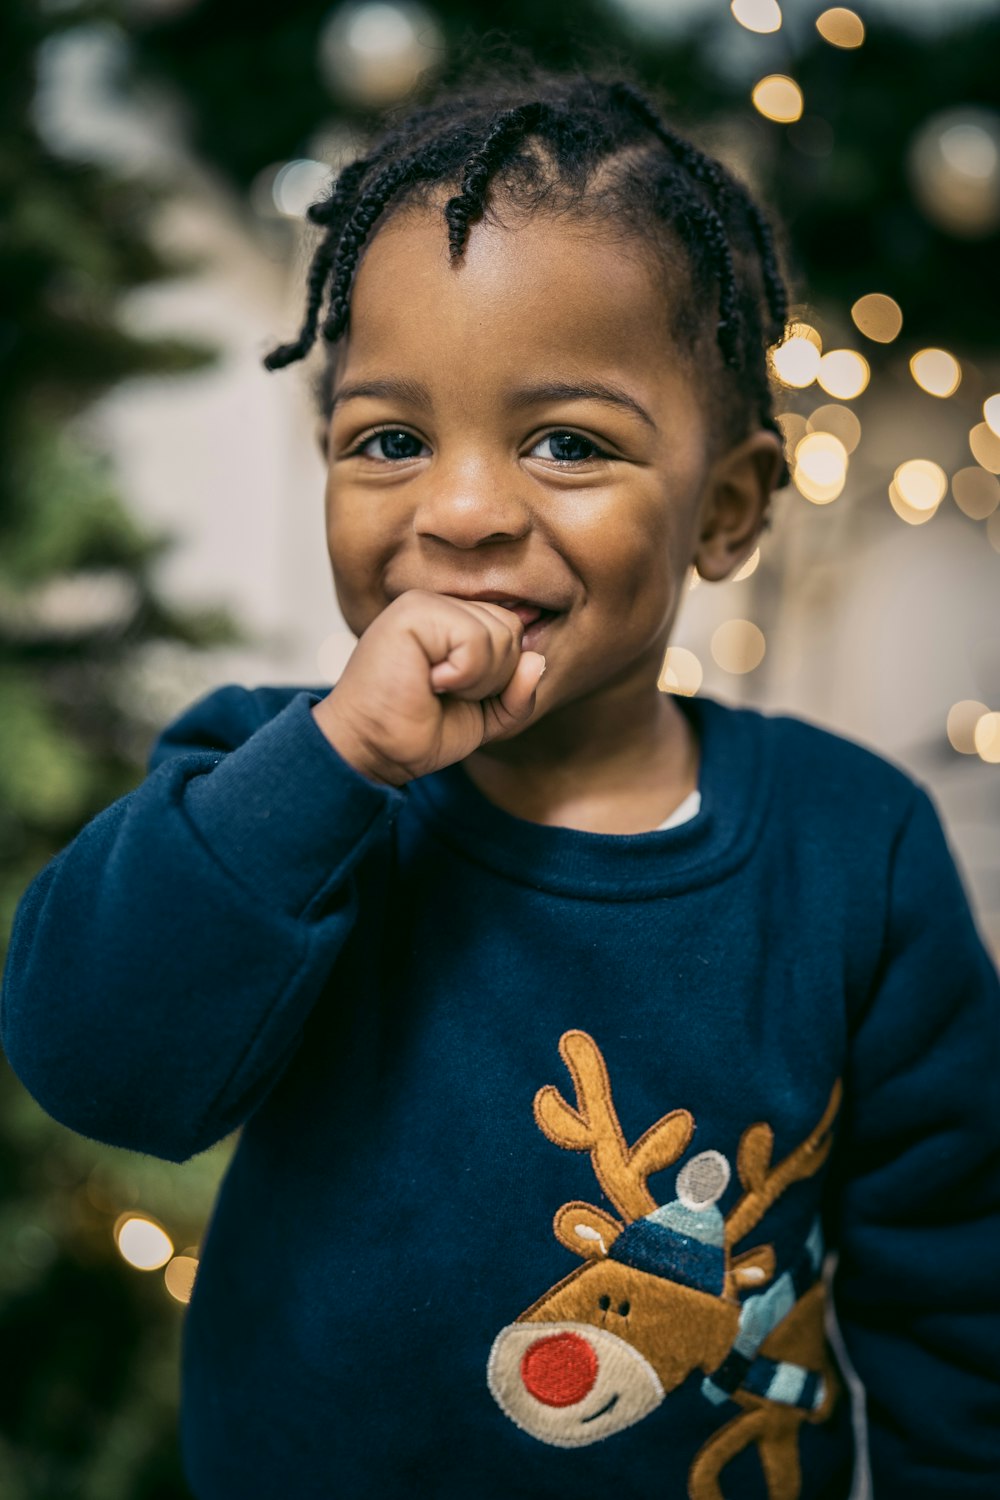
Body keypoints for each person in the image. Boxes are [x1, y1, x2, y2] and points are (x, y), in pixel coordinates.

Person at [2, 64, 998, 1500]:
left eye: (569, 444)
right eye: (390, 441)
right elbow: (96, 1063)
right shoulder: (270, 787)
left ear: (724, 512)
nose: (461, 511)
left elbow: (957, 1287)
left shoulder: (860, 848)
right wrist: (336, 760)